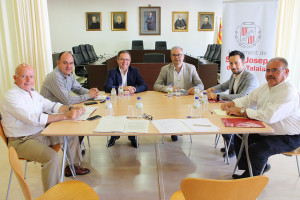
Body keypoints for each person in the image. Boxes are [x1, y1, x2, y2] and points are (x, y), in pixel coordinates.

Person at [0, 64, 91, 192]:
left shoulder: (32, 93)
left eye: (31, 76)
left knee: (71, 134)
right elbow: (34, 118)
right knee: (52, 157)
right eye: (24, 76)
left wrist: (70, 108)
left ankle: (72, 167)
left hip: (40, 133)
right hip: (21, 141)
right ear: (15, 78)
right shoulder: (10, 96)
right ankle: (51, 194)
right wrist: (65, 115)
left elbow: (51, 106)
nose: (28, 80)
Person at [221, 57, 300, 179]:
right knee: (240, 135)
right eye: (267, 70)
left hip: (289, 136)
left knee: (258, 150)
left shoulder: (289, 91)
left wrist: (242, 111)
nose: (270, 74)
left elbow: (270, 116)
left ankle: (251, 180)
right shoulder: (266, 86)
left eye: (274, 70)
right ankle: (251, 169)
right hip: (267, 129)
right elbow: (249, 99)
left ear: (286, 72)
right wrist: (233, 103)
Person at [40, 52, 99, 147]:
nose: (69, 66)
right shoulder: (55, 77)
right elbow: (68, 101)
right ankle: (73, 153)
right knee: (79, 123)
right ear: (58, 63)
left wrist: (91, 92)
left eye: (71, 63)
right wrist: (89, 95)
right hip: (50, 116)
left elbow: (78, 88)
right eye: (65, 63)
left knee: (83, 119)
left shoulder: (69, 74)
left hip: (61, 110)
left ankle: (76, 149)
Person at [207, 50, 259, 158]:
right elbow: (223, 86)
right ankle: (231, 144)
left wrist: (217, 96)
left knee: (223, 126)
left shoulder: (250, 78)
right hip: (233, 109)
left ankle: (233, 146)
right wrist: (211, 89)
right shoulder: (234, 75)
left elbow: (243, 96)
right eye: (231, 63)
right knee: (217, 121)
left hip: (245, 113)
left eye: (236, 63)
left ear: (243, 63)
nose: (233, 66)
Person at [154, 46, 204, 142]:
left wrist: (195, 88)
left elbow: (201, 85)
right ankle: (174, 131)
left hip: (186, 98)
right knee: (171, 112)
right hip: (171, 99)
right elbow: (156, 85)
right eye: (174, 55)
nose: (177, 57)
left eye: (179, 55)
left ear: (183, 56)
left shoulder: (191, 68)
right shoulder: (165, 69)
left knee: (185, 113)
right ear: (171, 57)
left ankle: (182, 128)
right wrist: (169, 89)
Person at [104, 50, 147, 148]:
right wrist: (124, 88)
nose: (125, 62)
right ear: (117, 60)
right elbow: (107, 87)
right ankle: (114, 136)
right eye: (122, 59)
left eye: (127, 59)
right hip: (117, 101)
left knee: (132, 116)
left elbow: (144, 85)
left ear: (130, 61)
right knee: (115, 115)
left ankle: (132, 137)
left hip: (130, 100)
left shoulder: (134, 71)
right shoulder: (112, 72)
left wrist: (135, 89)